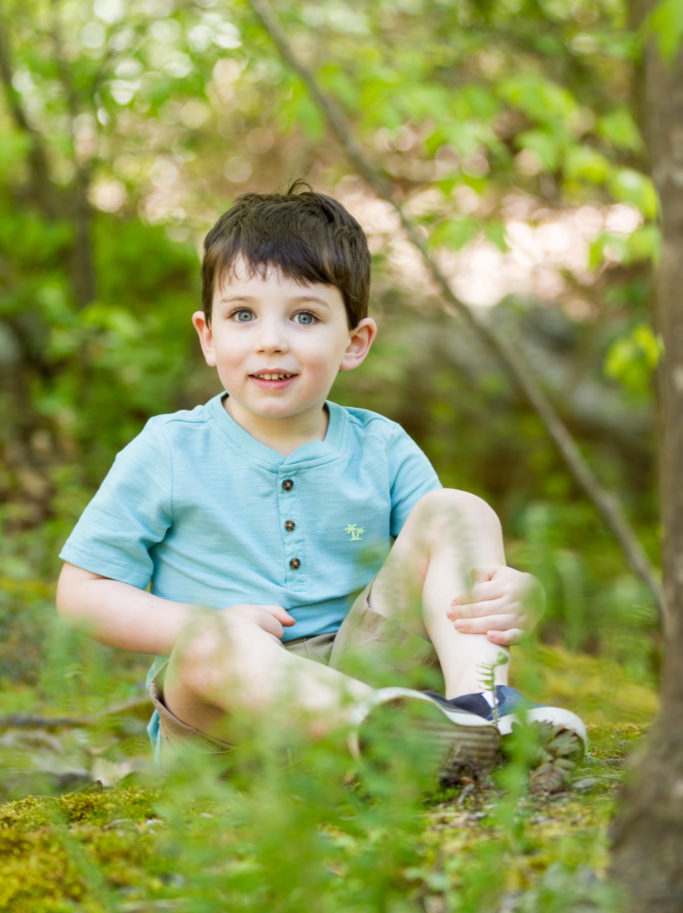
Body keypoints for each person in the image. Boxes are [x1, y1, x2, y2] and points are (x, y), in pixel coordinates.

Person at [56, 181, 586, 782]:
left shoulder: (380, 447)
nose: (271, 339)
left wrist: (516, 596)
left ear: (355, 342)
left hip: (367, 673)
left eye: (304, 316)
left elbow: (444, 567)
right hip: (228, 730)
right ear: (208, 336)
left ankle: (479, 712)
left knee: (458, 511)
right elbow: (81, 592)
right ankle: (383, 736)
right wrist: (198, 623)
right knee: (208, 647)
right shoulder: (170, 449)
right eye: (243, 315)